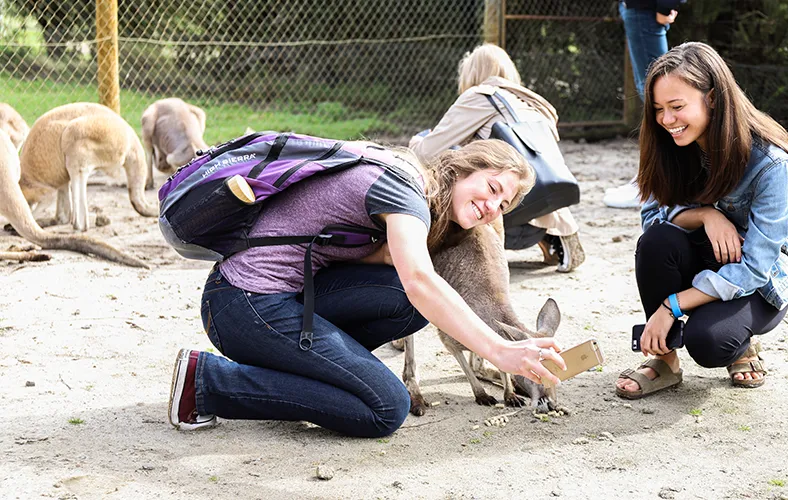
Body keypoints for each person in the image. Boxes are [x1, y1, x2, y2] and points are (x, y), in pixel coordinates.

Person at [168, 139, 567, 437]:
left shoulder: (417, 194)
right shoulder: (404, 189)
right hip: (242, 305)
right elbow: (421, 281)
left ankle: (308, 372)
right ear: (464, 168)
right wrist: (500, 350)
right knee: (385, 408)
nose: (493, 208)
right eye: (493, 188)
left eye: (504, 205)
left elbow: (392, 275)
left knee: (404, 305)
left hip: (278, 296)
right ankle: (206, 382)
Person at [615, 42, 788, 399]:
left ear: (712, 98)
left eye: (677, 107)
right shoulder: (667, 145)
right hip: (701, 261)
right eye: (658, 109)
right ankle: (663, 361)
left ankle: (741, 345)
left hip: (756, 284)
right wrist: (705, 214)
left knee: (708, 342)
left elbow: (755, 269)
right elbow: (652, 221)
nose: (666, 120)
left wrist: (672, 306)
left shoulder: (771, 163)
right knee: (656, 243)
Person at [409, 43, 585, 273]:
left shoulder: (480, 96)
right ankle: (557, 231)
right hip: (541, 204)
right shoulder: (533, 103)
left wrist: (416, 141)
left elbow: (427, 151)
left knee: (431, 143)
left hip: (504, 219)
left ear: (472, 73)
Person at [604, 0, 683, 209]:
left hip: (645, 9)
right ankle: (649, 180)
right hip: (639, 8)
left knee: (657, 97)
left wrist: (666, 5)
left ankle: (651, 185)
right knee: (652, 94)